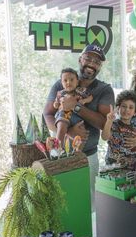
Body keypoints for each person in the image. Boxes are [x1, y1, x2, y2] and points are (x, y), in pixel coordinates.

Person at [43, 44, 115, 210]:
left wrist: (75, 106)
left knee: (90, 206)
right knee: (63, 205)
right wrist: (68, 132)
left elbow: (105, 123)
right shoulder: (61, 84)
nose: (92, 63)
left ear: (100, 66)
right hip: (63, 156)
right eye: (88, 58)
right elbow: (47, 114)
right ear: (80, 59)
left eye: (97, 61)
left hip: (89, 156)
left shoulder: (104, 90)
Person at [101, 90, 136, 170]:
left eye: (131, 107)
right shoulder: (113, 124)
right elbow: (104, 137)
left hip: (131, 170)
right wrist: (109, 121)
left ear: (135, 112)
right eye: (124, 106)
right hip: (112, 170)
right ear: (118, 108)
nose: (127, 110)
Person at [53, 67, 93, 147]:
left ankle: (78, 152)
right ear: (61, 82)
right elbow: (55, 104)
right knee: (61, 126)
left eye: (72, 80)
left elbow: (90, 97)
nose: (68, 82)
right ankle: (57, 147)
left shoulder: (80, 91)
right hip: (64, 113)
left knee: (81, 132)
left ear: (77, 82)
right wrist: (57, 104)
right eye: (65, 80)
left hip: (76, 115)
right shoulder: (60, 93)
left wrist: (84, 101)